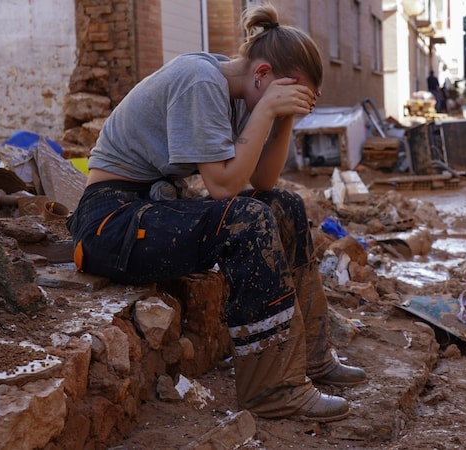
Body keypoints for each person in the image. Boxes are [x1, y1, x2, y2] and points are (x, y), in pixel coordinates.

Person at [66, 4, 366, 423]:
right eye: (288, 92)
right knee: (247, 219)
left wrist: (281, 120)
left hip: (153, 208)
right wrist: (265, 110)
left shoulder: (242, 92)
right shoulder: (200, 81)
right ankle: (272, 390)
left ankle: (312, 359)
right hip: (109, 223)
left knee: (284, 206)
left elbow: (263, 181)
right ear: (262, 75)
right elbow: (223, 188)